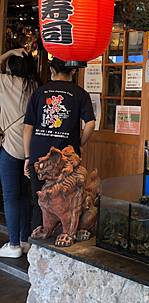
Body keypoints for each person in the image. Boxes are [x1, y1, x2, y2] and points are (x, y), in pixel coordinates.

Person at [23, 57, 96, 232]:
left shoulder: (40, 92)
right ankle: (62, 237)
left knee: (39, 201)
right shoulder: (80, 93)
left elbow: (28, 127)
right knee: (68, 201)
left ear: (52, 70)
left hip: (40, 158)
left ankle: (36, 241)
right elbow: (90, 123)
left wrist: (27, 157)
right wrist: (79, 144)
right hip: (66, 160)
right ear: (73, 71)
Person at [0, 48, 38, 258]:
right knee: (25, 196)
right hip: (30, 149)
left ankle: (13, 244)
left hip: (10, 149)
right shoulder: (34, 86)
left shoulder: (5, 82)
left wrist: (9, 52)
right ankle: (24, 241)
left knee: (10, 197)